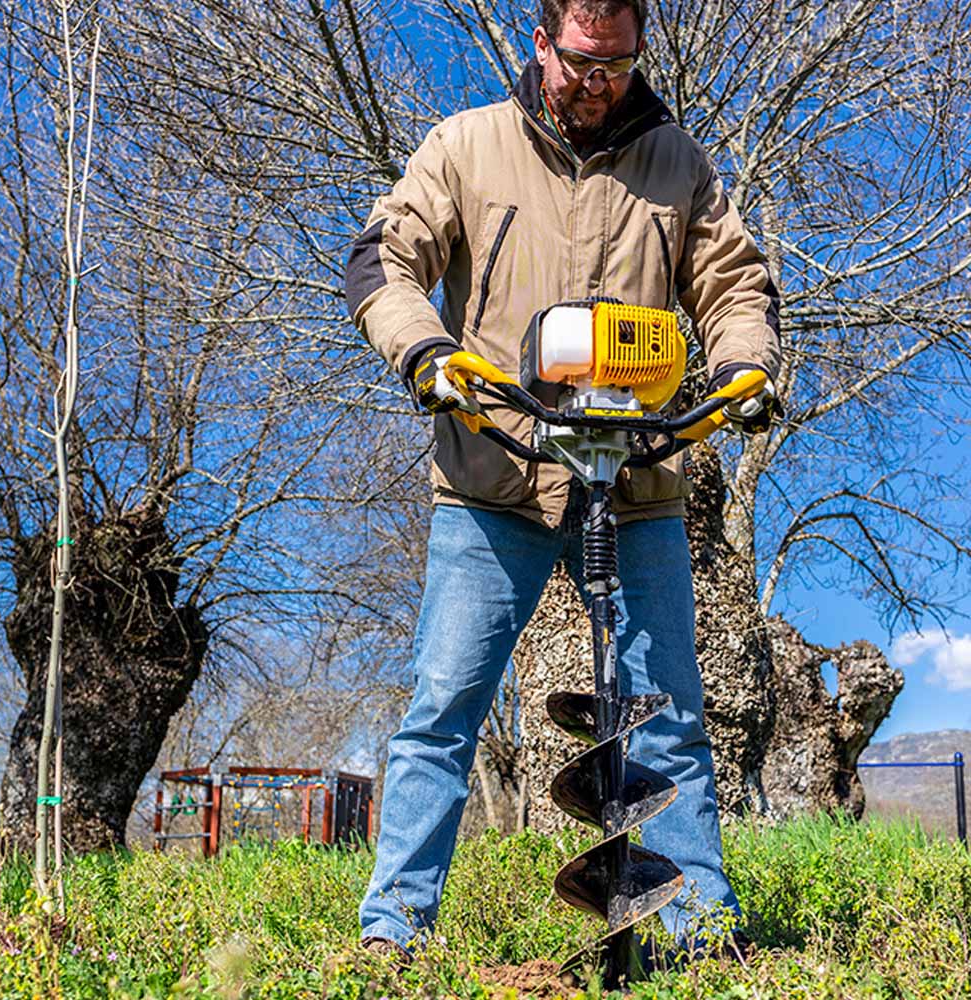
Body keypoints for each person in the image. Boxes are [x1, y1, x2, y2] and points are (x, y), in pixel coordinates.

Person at [344, 0, 781, 966]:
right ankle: (393, 932)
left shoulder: (677, 164)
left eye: (618, 66)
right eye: (582, 62)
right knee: (443, 709)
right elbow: (384, 260)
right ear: (542, 43)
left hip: (636, 483)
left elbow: (736, 286)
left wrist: (745, 365)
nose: (599, 84)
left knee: (667, 717)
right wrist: (424, 351)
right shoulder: (466, 147)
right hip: (496, 474)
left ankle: (699, 932)